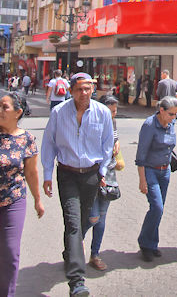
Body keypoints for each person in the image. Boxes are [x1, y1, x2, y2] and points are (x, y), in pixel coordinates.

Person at [41, 72, 114, 296]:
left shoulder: (102, 113)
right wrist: (46, 174)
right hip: (67, 174)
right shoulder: (58, 113)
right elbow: (49, 144)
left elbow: (107, 145)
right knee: (73, 222)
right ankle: (76, 280)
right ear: (71, 90)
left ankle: (69, 253)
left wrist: (102, 171)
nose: (84, 92)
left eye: (88, 88)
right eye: (80, 88)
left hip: (91, 175)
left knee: (82, 222)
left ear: (93, 89)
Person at [0, 92, 44, 296]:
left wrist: (37, 199)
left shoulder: (27, 139)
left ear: (18, 112)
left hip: (13, 200)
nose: (0, 110)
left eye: (4, 107)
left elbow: (31, 172)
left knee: (9, 252)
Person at [136, 96, 177, 262]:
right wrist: (142, 180)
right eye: (171, 114)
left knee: (158, 210)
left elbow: (170, 146)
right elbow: (141, 155)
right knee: (157, 208)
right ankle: (144, 243)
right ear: (161, 110)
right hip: (150, 170)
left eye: (176, 114)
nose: (173, 118)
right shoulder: (149, 125)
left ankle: (152, 244)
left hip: (165, 171)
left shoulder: (171, 124)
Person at [83, 95, 121, 271]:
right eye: (111, 111)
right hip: (93, 174)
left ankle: (95, 254)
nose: (113, 114)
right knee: (93, 216)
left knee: (102, 218)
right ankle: (74, 246)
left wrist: (117, 144)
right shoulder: (92, 123)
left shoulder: (112, 122)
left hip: (109, 174)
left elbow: (114, 140)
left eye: (115, 111)